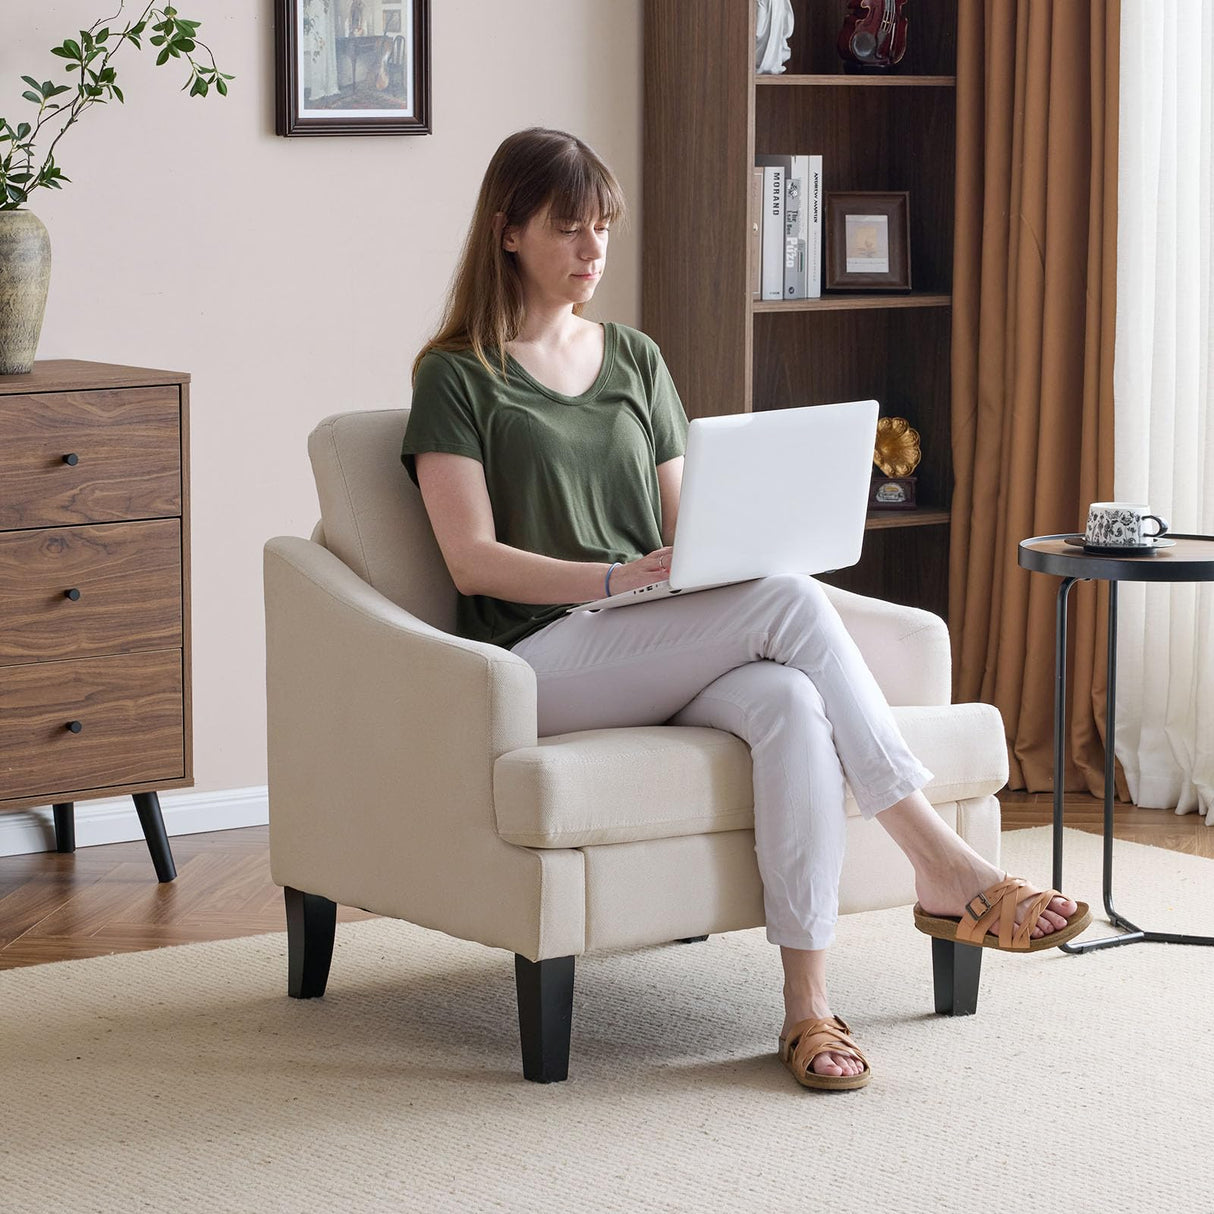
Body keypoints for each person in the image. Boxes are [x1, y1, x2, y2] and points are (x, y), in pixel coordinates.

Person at [400, 127, 1090, 1092]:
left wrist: (717, 557)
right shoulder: (456, 373)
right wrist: (615, 581)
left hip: (654, 638)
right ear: (508, 231)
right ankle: (943, 861)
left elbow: (689, 528)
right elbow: (471, 560)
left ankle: (808, 1007)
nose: (594, 249)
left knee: (792, 703)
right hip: (540, 656)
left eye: (603, 227)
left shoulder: (634, 358)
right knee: (789, 605)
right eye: (569, 228)